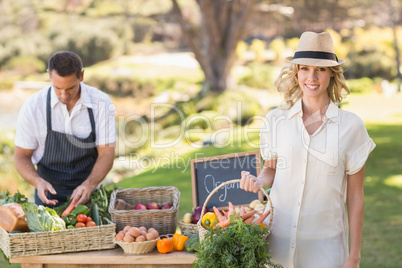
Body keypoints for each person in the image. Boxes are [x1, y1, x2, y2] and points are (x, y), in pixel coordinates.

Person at [240, 32, 375, 268]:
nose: (311, 77)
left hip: (326, 249)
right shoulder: (276, 120)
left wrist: (355, 256)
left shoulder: (351, 127)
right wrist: (258, 180)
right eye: (305, 68)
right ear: (297, 72)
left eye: (320, 69)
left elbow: (355, 197)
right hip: (277, 245)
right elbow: (271, 170)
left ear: (332, 74)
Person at [14, 51, 116, 208]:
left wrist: (89, 185)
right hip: (47, 198)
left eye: (70, 88)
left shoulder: (101, 102)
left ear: (81, 75)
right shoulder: (34, 106)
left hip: (89, 197)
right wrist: (37, 181)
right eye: (57, 88)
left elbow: (107, 153)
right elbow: (21, 156)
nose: (63, 96)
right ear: (49, 75)